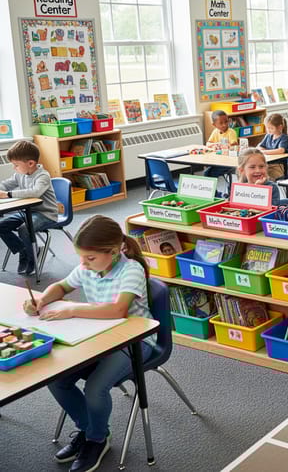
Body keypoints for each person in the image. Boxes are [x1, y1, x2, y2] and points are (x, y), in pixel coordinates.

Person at [31, 215, 154, 472]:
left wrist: (74, 310)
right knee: (55, 378)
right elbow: (61, 286)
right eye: (81, 258)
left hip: (135, 341)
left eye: (90, 258)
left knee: (95, 388)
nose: (83, 264)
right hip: (98, 338)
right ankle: (89, 429)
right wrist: (42, 300)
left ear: (113, 251)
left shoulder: (131, 269)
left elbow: (119, 310)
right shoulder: (89, 266)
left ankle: (97, 439)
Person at [0, 140, 58, 275]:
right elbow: (5, 185)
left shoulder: (43, 176)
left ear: (31, 163)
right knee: (2, 226)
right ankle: (25, 250)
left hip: (46, 214)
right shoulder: (19, 174)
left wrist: (7, 195)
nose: (14, 168)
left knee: (24, 229)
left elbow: (35, 192)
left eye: (16, 165)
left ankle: (31, 257)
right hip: (27, 212)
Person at [204, 110, 238, 187]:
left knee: (209, 174)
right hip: (217, 160)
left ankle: (213, 193)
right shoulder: (215, 131)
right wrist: (216, 144)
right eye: (221, 123)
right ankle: (213, 193)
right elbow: (208, 143)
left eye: (226, 122)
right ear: (214, 125)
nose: (224, 125)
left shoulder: (231, 132)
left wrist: (224, 145)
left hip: (228, 162)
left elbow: (234, 145)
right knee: (206, 172)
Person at [258, 113, 288, 181]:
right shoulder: (268, 136)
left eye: (271, 128)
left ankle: (269, 190)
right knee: (257, 173)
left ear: (280, 127)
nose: (269, 130)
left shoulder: (284, 137)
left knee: (265, 177)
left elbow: (281, 150)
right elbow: (260, 146)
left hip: (278, 166)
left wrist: (265, 152)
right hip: (268, 164)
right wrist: (261, 150)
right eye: (267, 128)